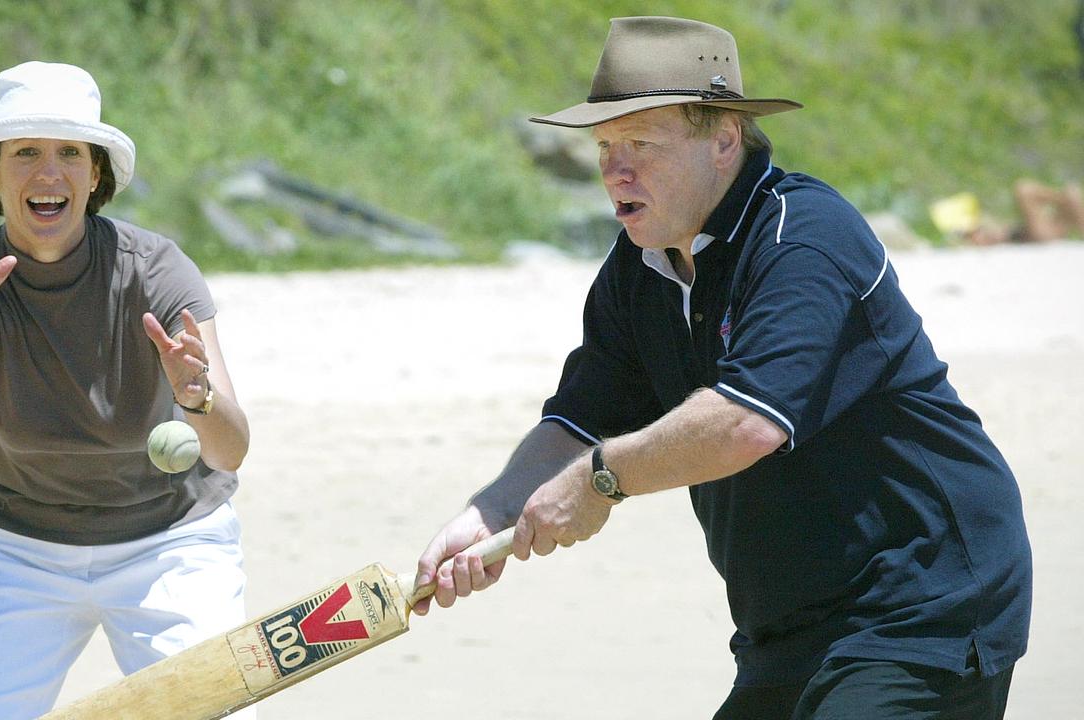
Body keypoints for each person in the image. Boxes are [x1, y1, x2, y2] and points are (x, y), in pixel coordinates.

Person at [413, 17, 1031, 720]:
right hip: (788, 619)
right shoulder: (637, 269)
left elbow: (743, 424)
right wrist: (488, 511)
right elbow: (580, 420)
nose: (616, 169)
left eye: (642, 143)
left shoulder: (805, 238)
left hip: (925, 599)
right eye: (606, 146)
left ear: (724, 140)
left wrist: (600, 480)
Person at [0, 61, 254, 719]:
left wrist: (196, 398)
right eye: (25, 152)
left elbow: (229, 451)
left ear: (94, 174)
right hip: (13, 547)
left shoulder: (157, 271)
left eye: (69, 153)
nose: (48, 172)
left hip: (170, 541)